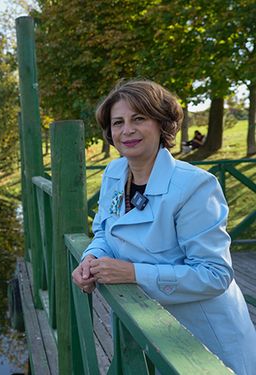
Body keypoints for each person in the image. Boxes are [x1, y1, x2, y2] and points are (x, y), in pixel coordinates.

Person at [71, 79, 256, 374]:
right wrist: (90, 258)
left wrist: (133, 273)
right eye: (118, 122)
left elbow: (215, 274)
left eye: (139, 118)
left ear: (161, 124)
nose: (126, 130)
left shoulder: (195, 186)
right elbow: (105, 230)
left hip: (208, 341)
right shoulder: (115, 172)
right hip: (155, 332)